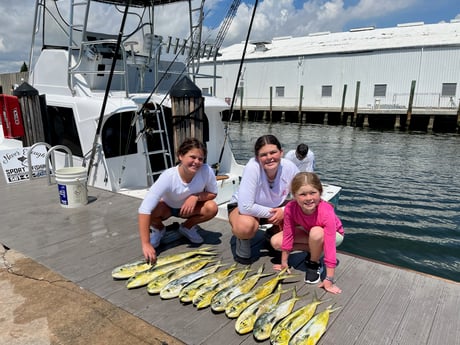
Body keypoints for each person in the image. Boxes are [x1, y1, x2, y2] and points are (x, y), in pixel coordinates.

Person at [138, 138, 218, 264]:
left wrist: (195, 197)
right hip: (167, 207)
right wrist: (146, 244)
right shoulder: (168, 176)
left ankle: (187, 227)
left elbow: (213, 193)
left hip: (189, 209)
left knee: (212, 208)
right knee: (151, 209)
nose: (197, 162)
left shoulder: (206, 171)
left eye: (200, 159)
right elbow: (144, 209)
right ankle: (159, 229)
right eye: (192, 157)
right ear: (180, 156)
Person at [227, 134, 299, 265]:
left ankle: (272, 233)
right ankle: (242, 240)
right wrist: (277, 213)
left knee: (303, 212)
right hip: (244, 209)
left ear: (281, 152)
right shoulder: (252, 167)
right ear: (257, 157)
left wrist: (284, 211)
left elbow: (302, 196)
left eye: (273, 152)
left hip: (275, 207)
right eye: (263, 155)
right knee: (245, 226)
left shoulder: (290, 167)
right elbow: (245, 207)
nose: (269, 158)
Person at [271, 172, 344, 294]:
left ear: (320, 193)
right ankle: (315, 250)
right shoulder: (290, 208)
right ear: (294, 195)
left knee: (316, 233)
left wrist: (329, 279)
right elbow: (288, 235)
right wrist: (284, 263)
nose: (309, 198)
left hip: (334, 235)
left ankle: (314, 263)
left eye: (313, 193)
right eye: (303, 194)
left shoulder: (326, 211)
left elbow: (330, 246)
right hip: (309, 231)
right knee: (276, 242)